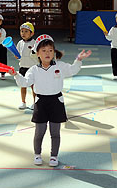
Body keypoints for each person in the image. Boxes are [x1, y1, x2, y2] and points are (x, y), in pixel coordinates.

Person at [8, 34, 92, 166]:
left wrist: (79, 59)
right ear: (37, 53)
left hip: (56, 102)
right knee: (39, 132)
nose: (47, 53)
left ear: (54, 52)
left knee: (55, 132)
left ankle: (54, 156)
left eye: (50, 50)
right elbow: (24, 83)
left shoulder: (60, 66)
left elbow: (73, 70)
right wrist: (16, 75)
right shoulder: (33, 70)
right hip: (40, 102)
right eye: (44, 50)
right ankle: (37, 154)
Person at [16, 22, 38, 110]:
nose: (23, 33)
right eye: (22, 31)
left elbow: (37, 55)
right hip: (22, 67)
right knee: (23, 85)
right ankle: (23, 102)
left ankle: (35, 102)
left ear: (31, 33)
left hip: (32, 68)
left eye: (26, 31)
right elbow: (18, 54)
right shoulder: (20, 43)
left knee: (33, 86)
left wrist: (33, 53)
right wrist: (17, 56)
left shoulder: (35, 43)